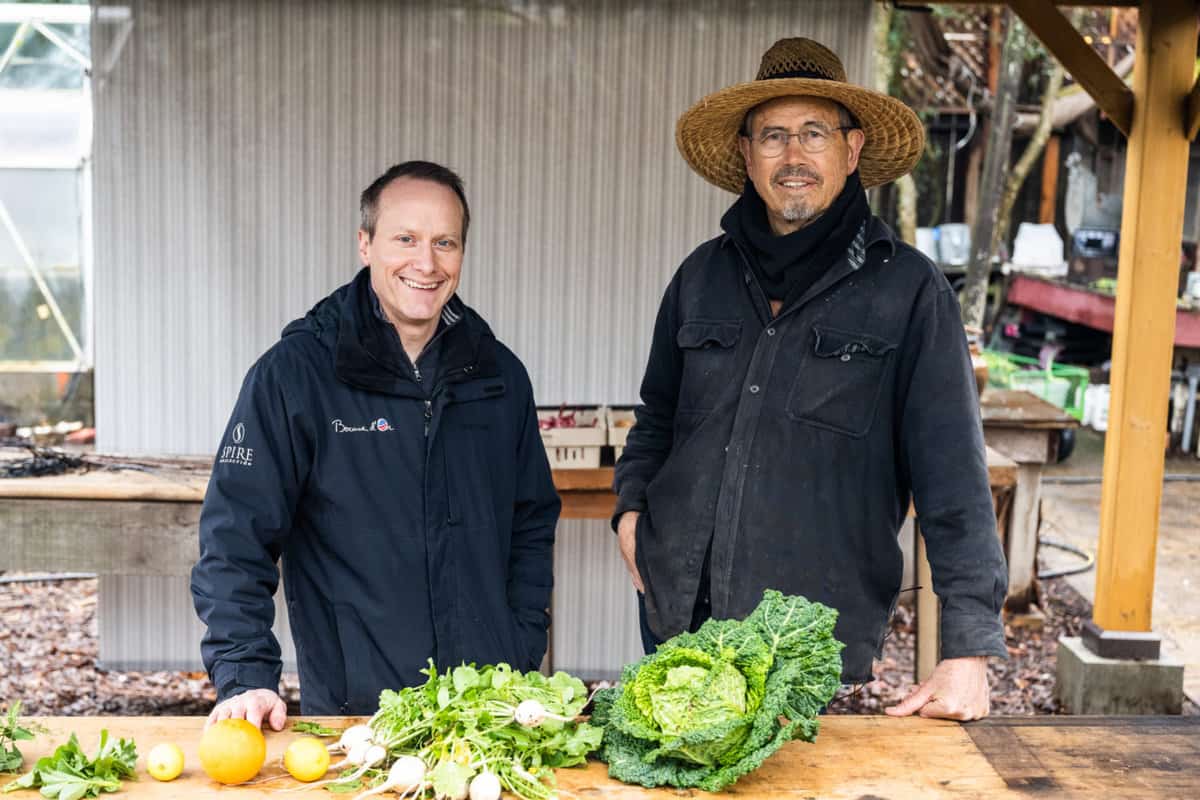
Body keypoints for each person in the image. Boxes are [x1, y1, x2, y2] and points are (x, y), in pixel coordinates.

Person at [612, 38, 1007, 721]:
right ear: (746, 154)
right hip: (676, 622)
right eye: (773, 136)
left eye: (814, 133)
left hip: (810, 646)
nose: (793, 156)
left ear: (851, 151)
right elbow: (657, 416)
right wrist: (629, 514)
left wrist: (968, 648)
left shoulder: (909, 293)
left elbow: (954, 478)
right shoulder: (699, 278)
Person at [191, 160, 560, 728]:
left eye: (445, 242)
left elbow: (531, 521)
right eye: (405, 239)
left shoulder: (499, 377)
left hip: (487, 708)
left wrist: (521, 645)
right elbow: (236, 536)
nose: (426, 263)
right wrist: (244, 673)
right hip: (356, 715)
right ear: (365, 244)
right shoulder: (296, 375)